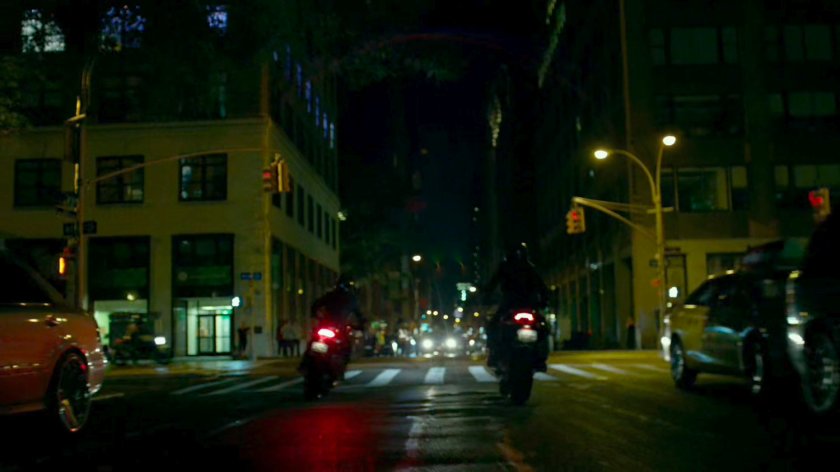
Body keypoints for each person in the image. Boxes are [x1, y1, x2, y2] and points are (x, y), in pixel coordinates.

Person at [483, 242, 550, 371]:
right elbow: (542, 287)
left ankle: (493, 355)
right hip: (528, 305)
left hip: (510, 304)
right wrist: (544, 300)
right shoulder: (529, 268)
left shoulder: (505, 267)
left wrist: (486, 296)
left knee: (492, 326)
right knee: (543, 327)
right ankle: (541, 358)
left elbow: (491, 285)